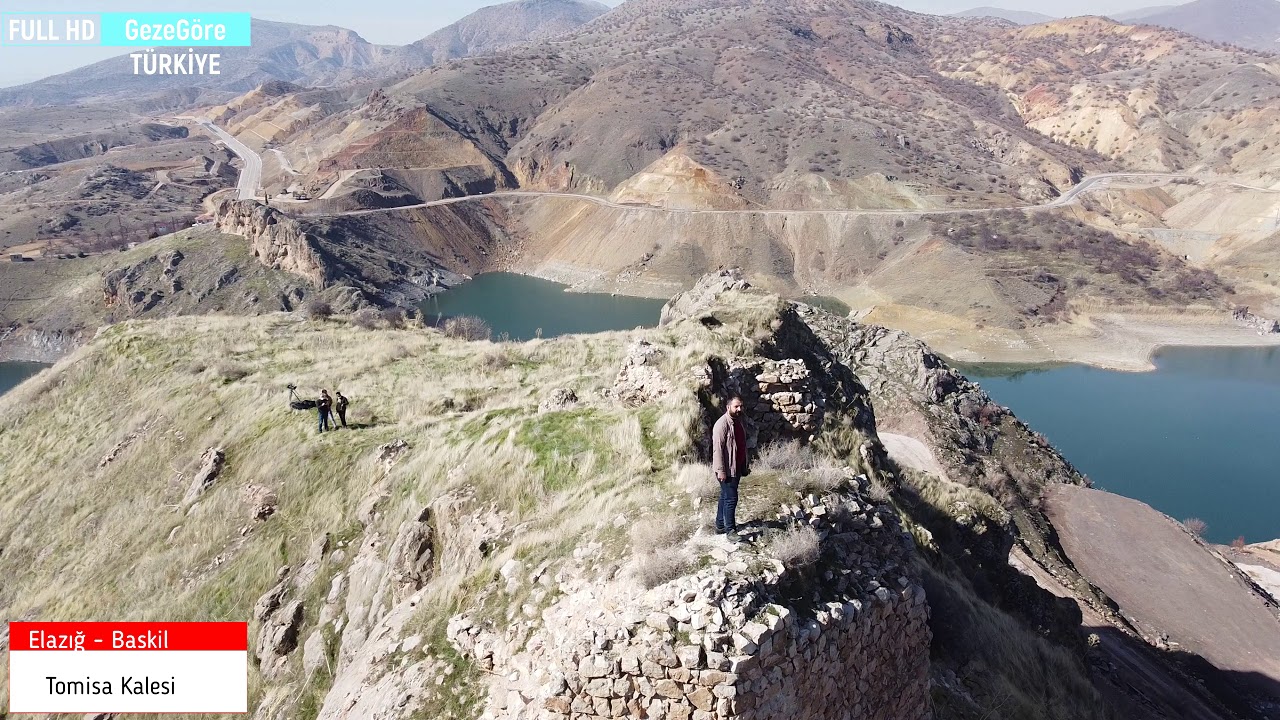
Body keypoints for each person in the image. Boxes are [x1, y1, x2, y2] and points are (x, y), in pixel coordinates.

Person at [711, 395, 750, 539]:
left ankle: (720, 525)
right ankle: (730, 531)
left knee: (725, 496)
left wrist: (744, 466)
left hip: (736, 467)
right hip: (726, 470)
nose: (739, 409)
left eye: (741, 406)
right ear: (728, 407)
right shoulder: (722, 424)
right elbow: (718, 449)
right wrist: (721, 470)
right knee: (731, 498)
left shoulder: (738, 422)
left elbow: (741, 445)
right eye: (736, 406)